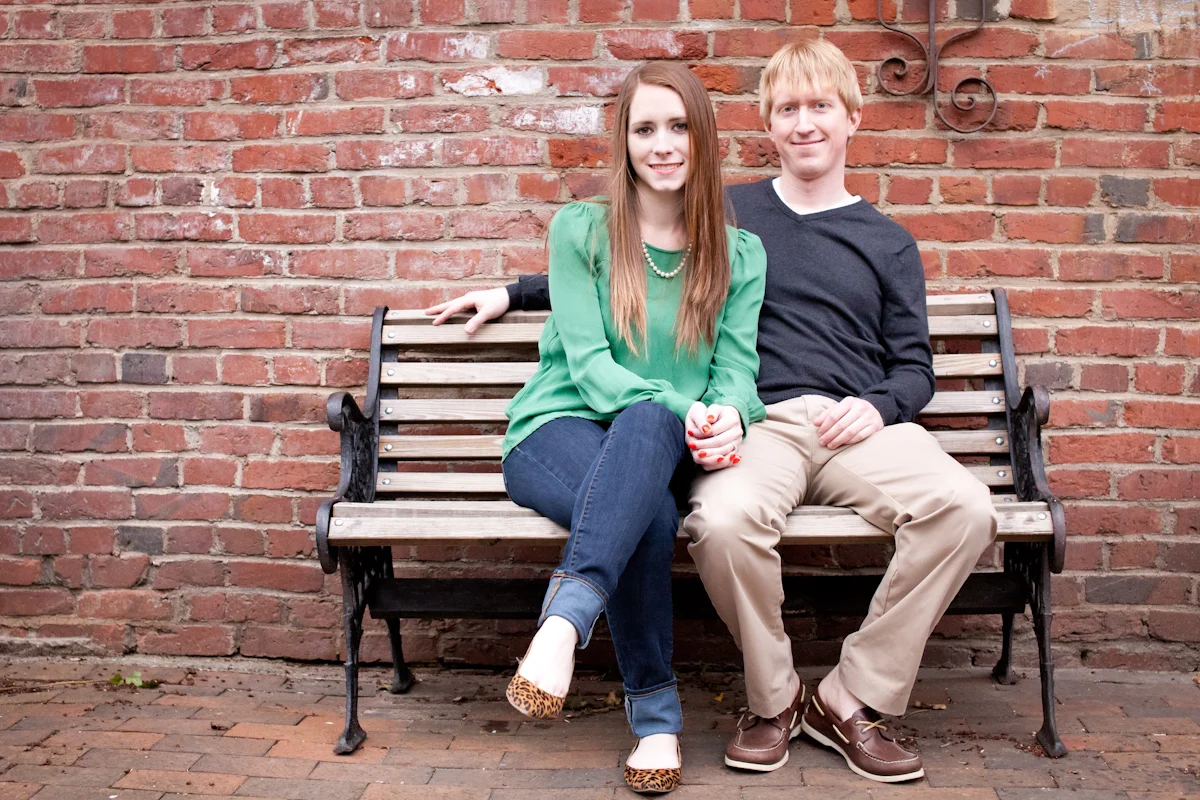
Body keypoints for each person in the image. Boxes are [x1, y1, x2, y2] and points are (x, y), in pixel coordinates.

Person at [426, 41, 997, 785]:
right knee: (694, 518)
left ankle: (848, 697)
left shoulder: (865, 243)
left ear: (852, 118)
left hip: (837, 424)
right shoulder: (725, 208)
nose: (804, 123)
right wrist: (515, 291)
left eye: (820, 106)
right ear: (766, 123)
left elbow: (909, 366)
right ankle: (740, 703)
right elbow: (620, 248)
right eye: (788, 109)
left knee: (966, 507)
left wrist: (874, 405)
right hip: (739, 427)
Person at [430, 61, 767, 794]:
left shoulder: (739, 254)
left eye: (678, 126)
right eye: (645, 129)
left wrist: (731, 414)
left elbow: (737, 368)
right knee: (649, 505)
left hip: (658, 446)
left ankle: (562, 623)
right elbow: (588, 367)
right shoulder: (581, 229)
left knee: (647, 452)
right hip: (554, 433)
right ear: (624, 141)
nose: (662, 144)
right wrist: (684, 407)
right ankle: (655, 719)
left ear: (704, 138)